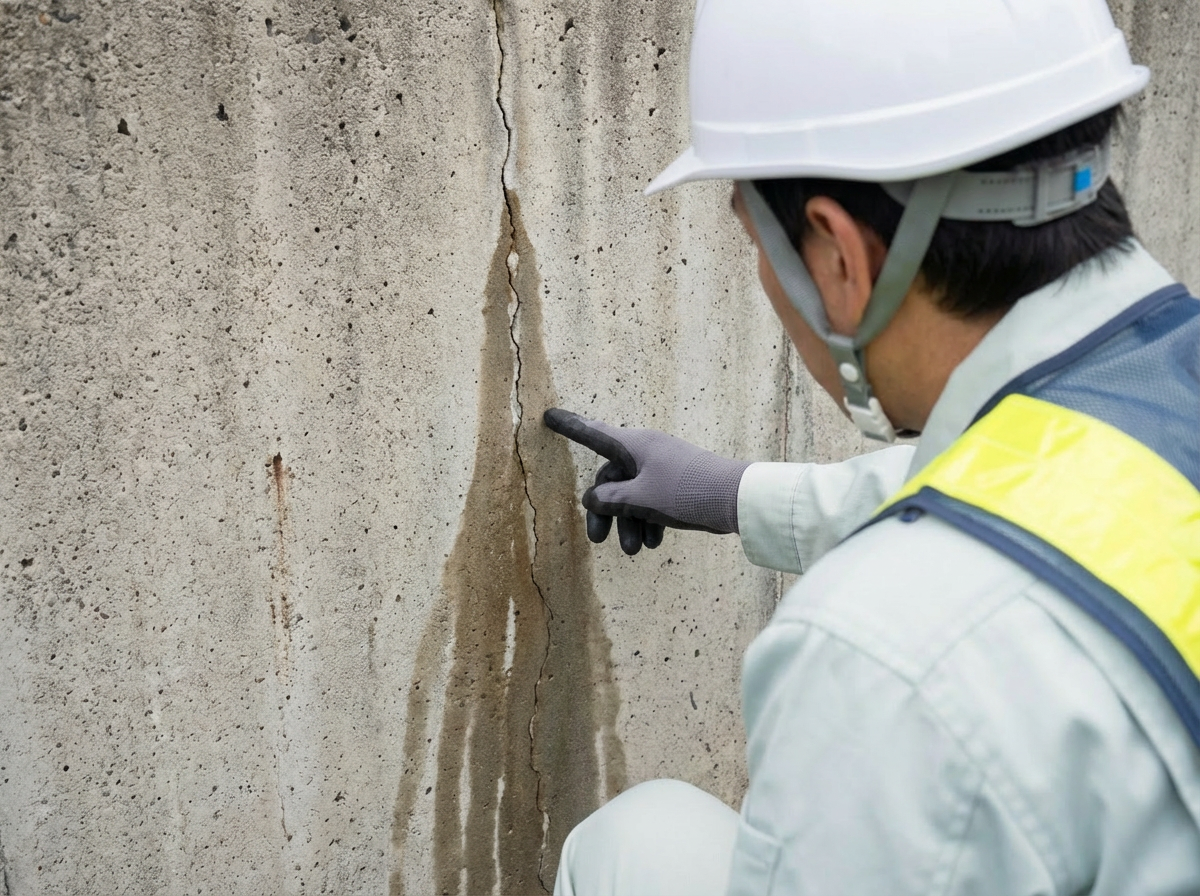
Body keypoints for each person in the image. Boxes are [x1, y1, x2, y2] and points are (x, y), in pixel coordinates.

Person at [543, 0, 1200, 894]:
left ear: (839, 258)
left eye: (757, 241)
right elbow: (1061, 498)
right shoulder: (1162, 379)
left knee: (634, 841)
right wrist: (729, 494)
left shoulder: (884, 656)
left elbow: (983, 557)